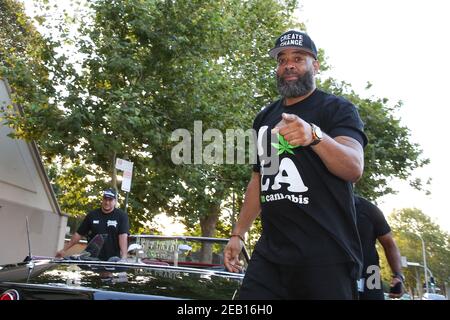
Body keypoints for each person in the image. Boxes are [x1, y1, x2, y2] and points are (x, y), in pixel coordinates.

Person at [224, 30, 368, 299]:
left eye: (298, 58)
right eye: (282, 59)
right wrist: (238, 234)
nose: (288, 64)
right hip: (270, 255)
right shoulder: (265, 117)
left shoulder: (337, 109)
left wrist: (314, 136)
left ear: (315, 65)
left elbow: (353, 167)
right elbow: (259, 179)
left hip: (326, 255)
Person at [56, 188, 130, 261]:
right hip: (92, 259)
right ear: (102, 199)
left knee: (108, 272)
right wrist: (64, 250)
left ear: (115, 201)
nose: (107, 202)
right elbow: (79, 234)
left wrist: (124, 256)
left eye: (110, 200)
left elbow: (123, 236)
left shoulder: (121, 216)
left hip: (111, 260)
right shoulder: (92, 215)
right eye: (105, 199)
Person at [354, 195, 405, 300]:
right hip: (333, 275)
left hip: (371, 277)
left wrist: (398, 276)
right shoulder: (323, 207)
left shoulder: (369, 209)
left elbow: (389, 245)